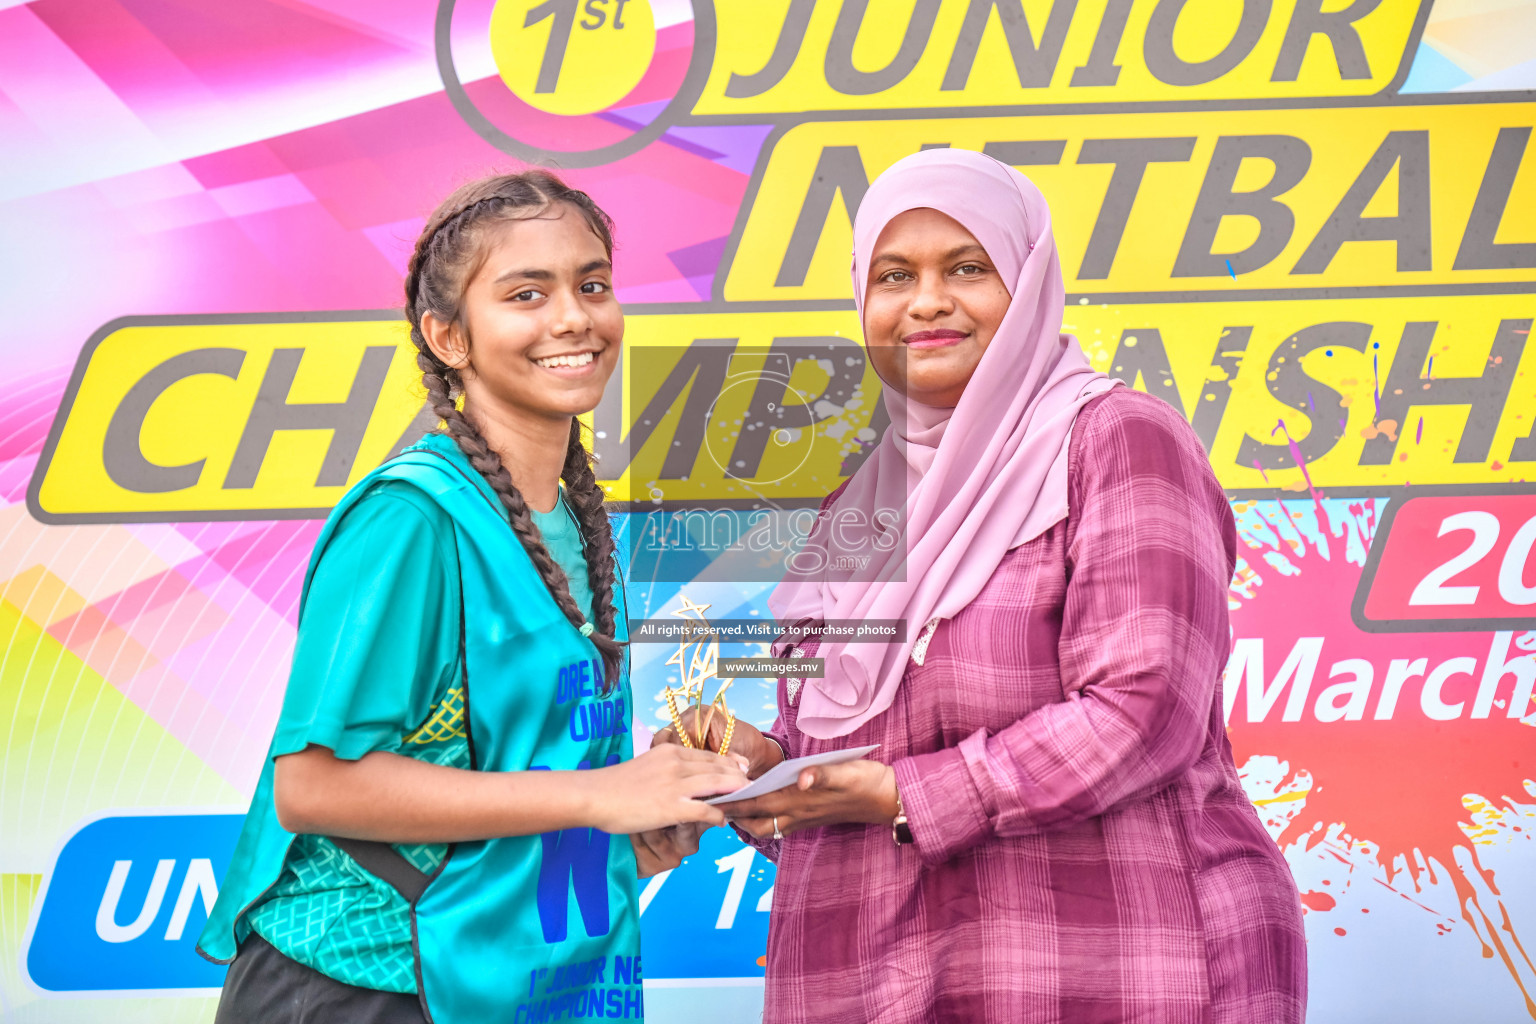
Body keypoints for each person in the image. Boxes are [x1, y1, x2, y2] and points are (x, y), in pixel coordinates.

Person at [657, 149, 1307, 1023]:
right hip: (874, 969)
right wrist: (760, 765)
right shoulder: (857, 507)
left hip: (1115, 964)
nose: (926, 300)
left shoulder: (1114, 441)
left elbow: (1144, 709)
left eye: (967, 268)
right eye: (895, 275)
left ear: (1029, 285)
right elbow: (844, 747)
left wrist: (903, 795)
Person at [198, 171, 747, 1024]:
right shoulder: (411, 518)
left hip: (510, 981)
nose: (573, 317)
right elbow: (314, 786)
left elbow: (506, 775)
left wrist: (634, 827)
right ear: (448, 336)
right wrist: (598, 796)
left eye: (591, 284)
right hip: (368, 985)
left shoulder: (570, 518)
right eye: (527, 293)